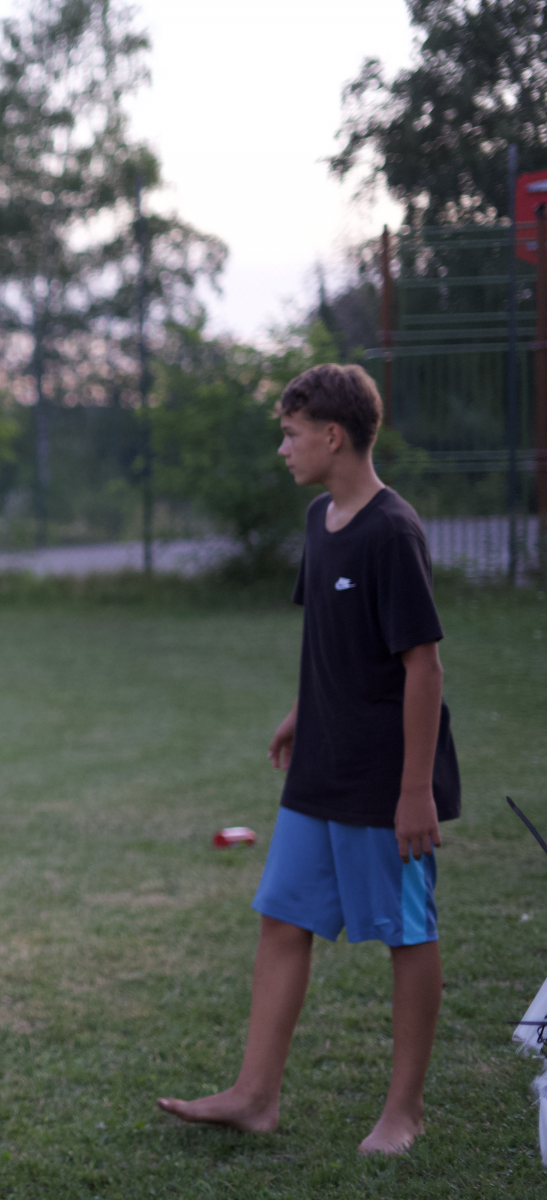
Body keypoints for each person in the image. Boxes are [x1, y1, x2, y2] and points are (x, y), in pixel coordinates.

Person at [158, 363, 459, 1155]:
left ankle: (404, 1111)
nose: (283, 448)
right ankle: (255, 1096)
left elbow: (423, 668)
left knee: (406, 932)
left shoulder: (392, 532)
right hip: (318, 766)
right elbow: (330, 637)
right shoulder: (320, 518)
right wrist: (303, 711)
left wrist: (415, 790)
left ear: (332, 436)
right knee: (284, 917)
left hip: (383, 777)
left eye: (291, 434)